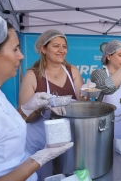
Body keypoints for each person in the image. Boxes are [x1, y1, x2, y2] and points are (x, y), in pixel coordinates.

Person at [0, 14, 72, 181]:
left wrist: (28, 107)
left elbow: (6, 129)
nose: (21, 56)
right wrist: (38, 159)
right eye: (15, 49)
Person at [18, 29, 84, 180]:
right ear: (43, 49)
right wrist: (40, 105)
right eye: (56, 46)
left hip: (67, 142)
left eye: (64, 46)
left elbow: (81, 106)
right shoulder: (32, 75)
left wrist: (89, 94)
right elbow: (24, 117)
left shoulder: (72, 71)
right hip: (40, 145)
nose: (62, 50)